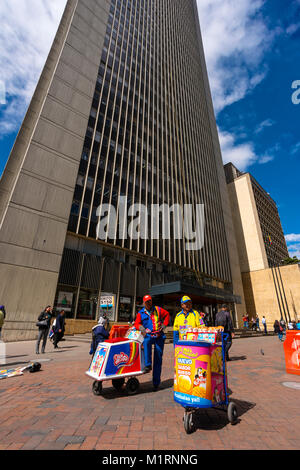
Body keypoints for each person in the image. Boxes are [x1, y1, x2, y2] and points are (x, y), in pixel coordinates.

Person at [134, 295, 170, 391]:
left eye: (149, 301)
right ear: (143, 303)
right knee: (146, 342)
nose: (148, 303)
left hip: (159, 336)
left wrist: (164, 324)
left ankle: (156, 383)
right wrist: (141, 328)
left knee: (158, 358)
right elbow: (136, 323)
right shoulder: (140, 313)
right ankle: (148, 364)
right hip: (149, 335)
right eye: (146, 302)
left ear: (151, 301)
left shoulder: (158, 309)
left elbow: (167, 314)